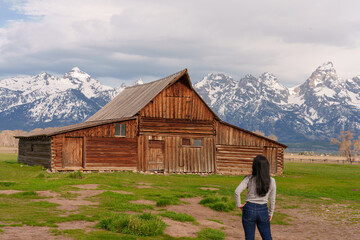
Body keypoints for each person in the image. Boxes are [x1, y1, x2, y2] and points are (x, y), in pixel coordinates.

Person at [234, 155, 276, 240]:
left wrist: (239, 205)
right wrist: (270, 213)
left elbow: (237, 191)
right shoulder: (271, 181)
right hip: (263, 210)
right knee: (267, 237)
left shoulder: (249, 178)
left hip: (248, 209)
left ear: (254, 166)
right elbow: (272, 200)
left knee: (249, 238)